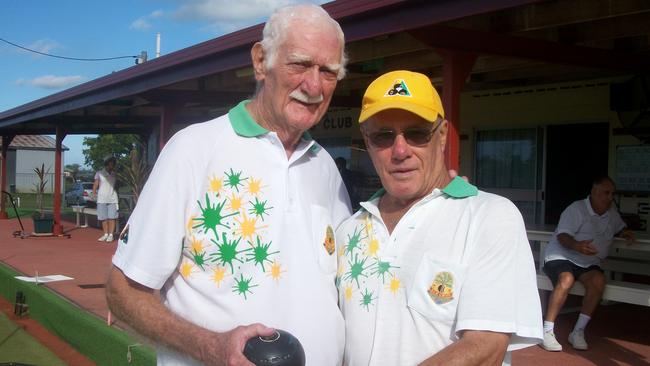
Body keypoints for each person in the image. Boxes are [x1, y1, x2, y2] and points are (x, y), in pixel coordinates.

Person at [105, 4, 352, 365]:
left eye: (328, 71)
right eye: (299, 64)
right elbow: (121, 291)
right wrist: (211, 347)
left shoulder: (324, 166)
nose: (313, 85)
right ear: (260, 61)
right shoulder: (193, 149)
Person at [336, 70, 543, 365]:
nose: (400, 150)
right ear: (367, 143)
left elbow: (486, 347)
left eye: (417, 133)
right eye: (383, 136)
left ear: (442, 135)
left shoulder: (490, 217)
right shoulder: (349, 229)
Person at [541, 176, 635, 352]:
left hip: (588, 262)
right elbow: (562, 236)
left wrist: (625, 232)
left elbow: (619, 227)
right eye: (606, 193)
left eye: (612, 194)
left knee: (598, 281)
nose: (609, 197)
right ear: (594, 192)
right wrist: (577, 245)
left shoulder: (611, 212)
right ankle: (547, 330)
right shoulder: (576, 209)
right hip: (561, 256)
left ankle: (578, 331)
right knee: (566, 279)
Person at [93, 155, 118, 242]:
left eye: (113, 164)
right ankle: (105, 234)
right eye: (110, 164)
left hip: (112, 198)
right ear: (106, 164)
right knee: (103, 218)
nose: (111, 166)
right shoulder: (99, 173)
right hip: (102, 198)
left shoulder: (115, 174)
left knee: (112, 217)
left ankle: (111, 235)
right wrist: (94, 193)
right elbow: (96, 184)